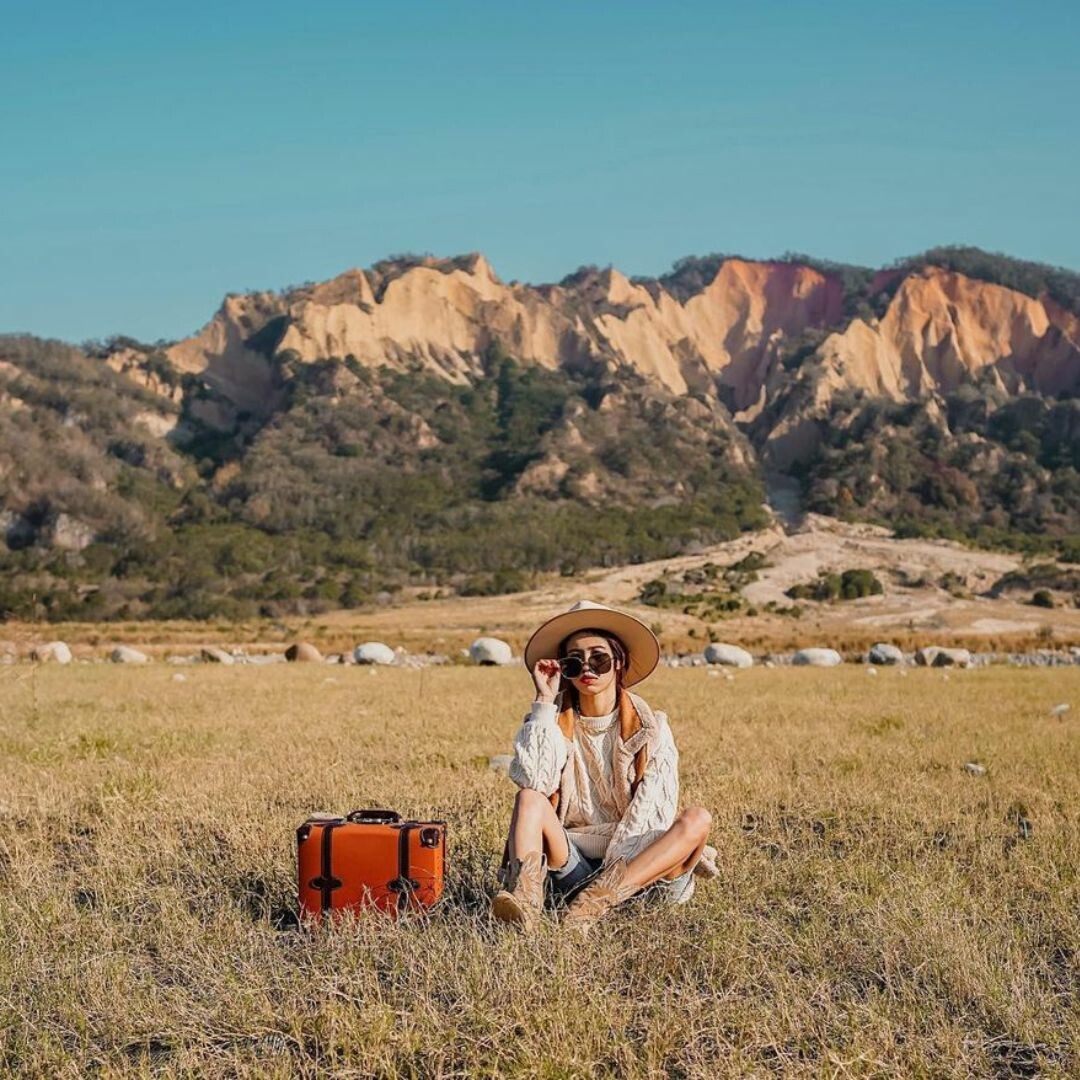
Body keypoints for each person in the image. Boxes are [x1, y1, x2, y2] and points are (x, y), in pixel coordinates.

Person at [491, 599, 714, 932]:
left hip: (640, 874)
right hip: (574, 867)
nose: (587, 670)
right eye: (573, 662)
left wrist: (608, 885)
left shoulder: (652, 729)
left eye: (598, 658)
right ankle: (526, 904)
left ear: (619, 663)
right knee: (528, 799)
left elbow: (653, 815)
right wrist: (543, 702)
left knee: (698, 819)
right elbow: (534, 781)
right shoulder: (550, 722)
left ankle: (593, 906)